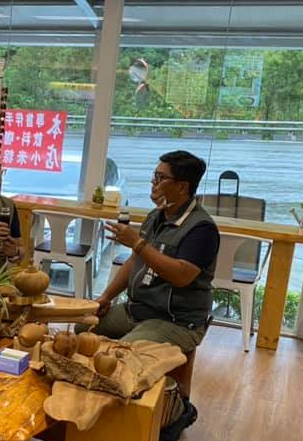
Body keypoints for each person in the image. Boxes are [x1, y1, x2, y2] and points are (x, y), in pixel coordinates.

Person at [94, 150, 220, 354]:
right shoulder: (155, 216)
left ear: (182, 187)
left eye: (161, 178)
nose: (153, 182)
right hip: (137, 310)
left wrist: (138, 243)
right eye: (154, 175)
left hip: (176, 321)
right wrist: (106, 296)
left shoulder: (202, 229)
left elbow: (181, 276)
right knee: (84, 326)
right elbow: (134, 262)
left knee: (122, 354)